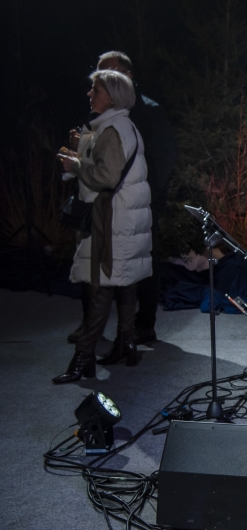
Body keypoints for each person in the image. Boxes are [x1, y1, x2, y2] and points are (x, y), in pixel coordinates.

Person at [66, 51, 175, 345]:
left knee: (132, 267)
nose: (94, 89)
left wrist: (145, 198)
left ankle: (137, 328)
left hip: (128, 204)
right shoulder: (102, 114)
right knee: (105, 268)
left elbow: (157, 159)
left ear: (125, 78)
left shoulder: (142, 114)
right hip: (105, 203)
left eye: (106, 78)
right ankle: (111, 335)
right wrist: (82, 147)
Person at [54, 70, 153, 383]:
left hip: (109, 220)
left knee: (99, 286)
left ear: (111, 97)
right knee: (124, 281)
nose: (90, 94)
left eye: (95, 90)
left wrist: (76, 166)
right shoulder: (126, 126)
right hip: (125, 217)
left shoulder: (111, 130)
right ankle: (126, 345)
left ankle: (83, 358)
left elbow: (106, 177)